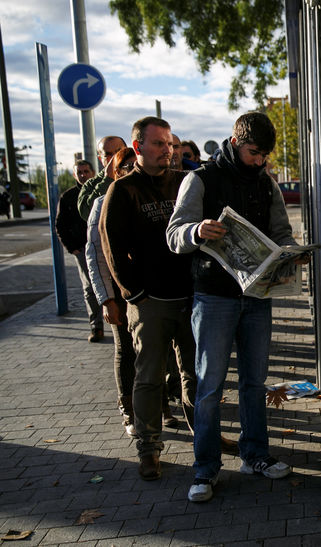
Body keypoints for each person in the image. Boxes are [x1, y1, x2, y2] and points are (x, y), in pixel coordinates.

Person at [167, 112, 300, 502]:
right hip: (214, 296)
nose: (259, 161)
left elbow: (281, 232)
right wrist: (197, 230)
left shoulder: (267, 183)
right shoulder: (200, 179)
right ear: (235, 141)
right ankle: (205, 470)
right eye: (253, 152)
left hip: (257, 297)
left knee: (254, 383)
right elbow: (174, 235)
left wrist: (290, 252)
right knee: (209, 387)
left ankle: (254, 454)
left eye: (264, 155)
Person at [99, 116, 197, 481]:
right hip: (150, 301)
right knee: (149, 377)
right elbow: (111, 248)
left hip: (188, 297)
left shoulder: (184, 182)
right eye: (159, 144)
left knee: (194, 374)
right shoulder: (123, 191)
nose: (167, 151)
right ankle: (149, 449)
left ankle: (203, 435)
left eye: (170, 144)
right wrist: (134, 294)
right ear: (138, 147)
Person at [85, 148, 138, 436]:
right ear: (115, 172)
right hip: (119, 292)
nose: (130, 169)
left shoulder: (149, 197)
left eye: (134, 164)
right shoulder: (101, 203)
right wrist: (106, 299)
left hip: (150, 290)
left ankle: (160, 407)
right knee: (126, 349)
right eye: (124, 166)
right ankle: (128, 411)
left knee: (157, 351)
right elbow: (95, 254)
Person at [56, 160, 104, 343]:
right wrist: (71, 247)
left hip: (102, 245)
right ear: (75, 175)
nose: (83, 175)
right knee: (89, 288)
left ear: (92, 172)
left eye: (86, 171)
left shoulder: (100, 191)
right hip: (82, 249)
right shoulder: (68, 197)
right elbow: (60, 225)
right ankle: (96, 326)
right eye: (80, 172)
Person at [77, 136, 126, 220]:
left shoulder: (141, 175)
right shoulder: (91, 184)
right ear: (101, 159)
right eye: (108, 155)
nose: (115, 157)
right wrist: (108, 180)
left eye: (119, 151)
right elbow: (87, 214)